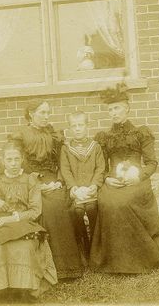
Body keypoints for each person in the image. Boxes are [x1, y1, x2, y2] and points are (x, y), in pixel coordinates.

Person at [90, 83, 159, 274]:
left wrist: (138, 176)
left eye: (117, 108)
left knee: (123, 202)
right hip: (114, 181)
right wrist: (107, 178)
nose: (113, 113)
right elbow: (100, 166)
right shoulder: (104, 137)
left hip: (137, 181)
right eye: (110, 109)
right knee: (108, 201)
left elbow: (152, 163)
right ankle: (115, 259)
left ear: (127, 108)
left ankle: (141, 257)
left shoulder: (141, 133)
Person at [0, 142, 57, 302]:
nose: (13, 163)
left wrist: (12, 217)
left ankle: (24, 287)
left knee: (24, 247)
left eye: (16, 159)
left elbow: (35, 210)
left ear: (22, 160)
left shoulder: (30, 180)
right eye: (9, 159)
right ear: (3, 161)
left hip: (24, 222)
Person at [9, 100, 84, 279]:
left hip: (54, 179)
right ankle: (50, 266)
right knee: (48, 208)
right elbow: (20, 164)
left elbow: (62, 161)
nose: (46, 116)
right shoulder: (21, 135)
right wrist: (37, 184)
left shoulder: (53, 134)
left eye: (48, 113)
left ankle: (70, 266)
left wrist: (58, 181)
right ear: (31, 114)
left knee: (62, 204)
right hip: (30, 181)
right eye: (42, 112)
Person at [60, 111, 105, 261]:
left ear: (87, 126)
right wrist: (72, 187)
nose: (77, 128)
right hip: (76, 191)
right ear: (70, 128)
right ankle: (83, 245)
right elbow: (65, 170)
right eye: (74, 126)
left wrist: (94, 185)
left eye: (81, 125)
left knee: (92, 209)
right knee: (77, 211)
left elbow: (100, 168)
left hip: (92, 190)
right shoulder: (66, 148)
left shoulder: (95, 147)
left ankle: (94, 245)